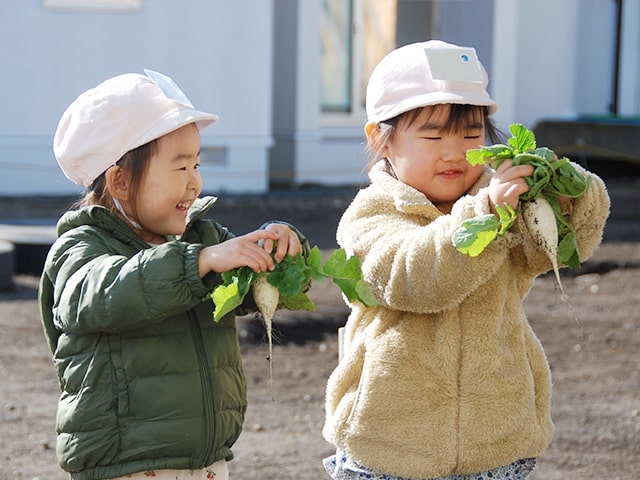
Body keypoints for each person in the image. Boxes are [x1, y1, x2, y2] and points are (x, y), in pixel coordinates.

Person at [322, 40, 610, 480]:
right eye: (434, 135)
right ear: (380, 138)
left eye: (472, 134)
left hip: (497, 440)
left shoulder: (501, 203)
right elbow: (411, 277)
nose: (455, 152)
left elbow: (564, 247)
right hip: (390, 444)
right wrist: (485, 216)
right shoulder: (371, 215)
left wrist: (572, 197)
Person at [39, 70, 308, 480]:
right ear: (121, 181)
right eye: (180, 167)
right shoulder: (81, 247)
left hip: (206, 461)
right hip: (127, 464)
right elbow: (98, 296)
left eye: (197, 164)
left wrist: (284, 251)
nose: (195, 182)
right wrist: (198, 262)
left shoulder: (202, 237)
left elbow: (256, 286)